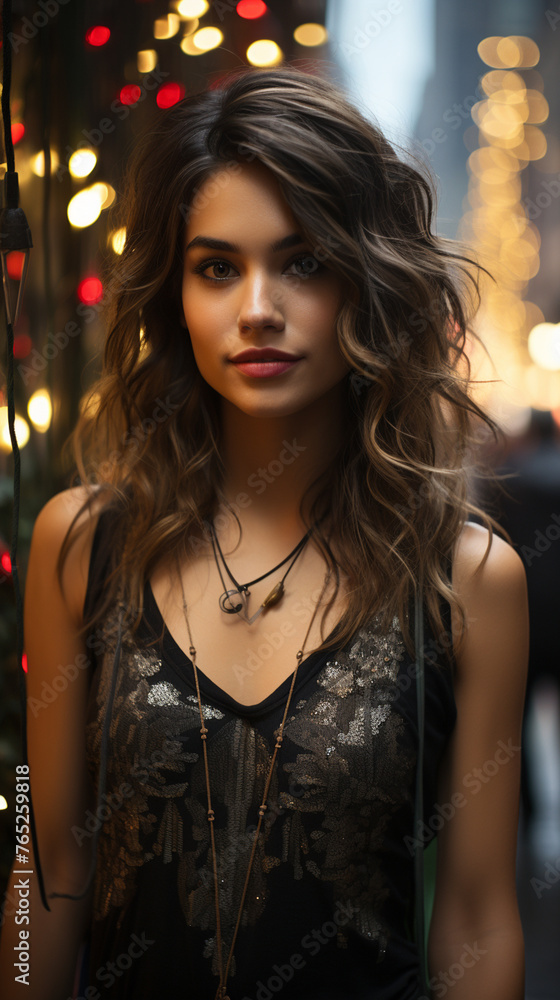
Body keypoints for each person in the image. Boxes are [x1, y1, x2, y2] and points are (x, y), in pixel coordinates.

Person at [0, 66, 528, 1000]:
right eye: (216, 267)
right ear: (176, 296)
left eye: (303, 261)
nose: (256, 308)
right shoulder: (80, 545)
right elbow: (43, 868)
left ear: (367, 281)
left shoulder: (466, 577)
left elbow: (479, 916)